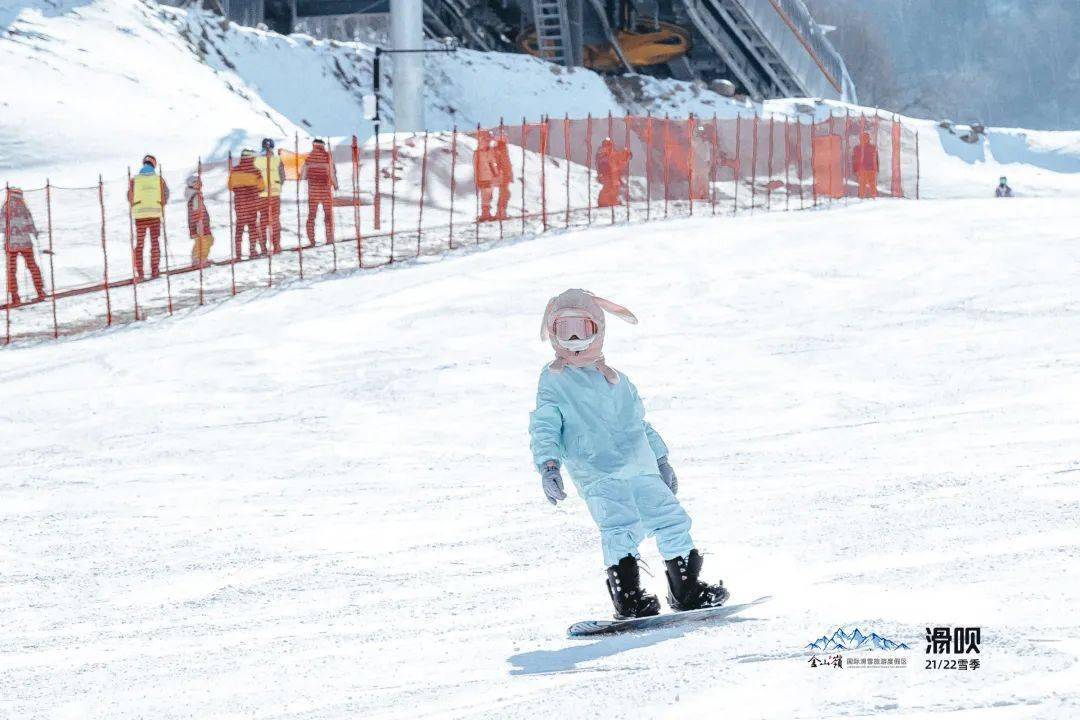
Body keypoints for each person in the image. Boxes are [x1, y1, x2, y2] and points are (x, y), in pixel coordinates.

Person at [528, 289, 729, 619]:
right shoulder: (554, 381)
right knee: (620, 527)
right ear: (552, 333)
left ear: (599, 329)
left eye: (583, 328)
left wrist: (661, 459)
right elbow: (545, 424)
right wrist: (548, 464)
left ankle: (686, 589)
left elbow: (638, 423)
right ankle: (629, 598)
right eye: (565, 330)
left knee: (671, 519)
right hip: (598, 470)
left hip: (641, 465)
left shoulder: (617, 380)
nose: (575, 338)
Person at [127, 154, 170, 279]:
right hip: (155, 215)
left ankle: (139, 273)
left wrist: (136, 205)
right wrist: (160, 205)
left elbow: (129, 196)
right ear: (154, 164)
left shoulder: (134, 180)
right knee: (154, 243)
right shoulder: (159, 179)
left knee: (139, 244)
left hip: (140, 216)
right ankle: (155, 271)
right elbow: (165, 195)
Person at [2, 187, 46, 306]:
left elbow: (1, 226)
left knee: (11, 270)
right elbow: (30, 223)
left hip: (11, 245)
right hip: (26, 243)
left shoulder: (5, 208)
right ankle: (40, 292)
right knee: (32, 266)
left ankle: (15, 298)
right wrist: (34, 233)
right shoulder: (23, 207)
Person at [228, 149, 266, 259]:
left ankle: (238, 253)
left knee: (239, 228)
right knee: (252, 227)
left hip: (239, 204)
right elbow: (262, 187)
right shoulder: (255, 171)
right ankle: (252, 250)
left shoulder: (234, 170)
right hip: (252, 204)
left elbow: (230, 186)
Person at [301, 138, 338, 246]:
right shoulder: (327, 156)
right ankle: (329, 238)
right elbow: (331, 173)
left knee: (311, 216)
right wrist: (335, 185)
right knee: (328, 215)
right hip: (325, 190)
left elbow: (303, 175)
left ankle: (311, 240)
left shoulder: (309, 157)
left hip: (312, 191)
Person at [257, 138, 287, 254]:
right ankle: (276, 246)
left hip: (261, 195)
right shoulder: (277, 160)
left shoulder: (257, 161)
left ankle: (263, 248)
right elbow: (283, 177)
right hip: (274, 195)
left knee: (263, 222)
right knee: (275, 221)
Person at [185, 175, 214, 267]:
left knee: (203, 240)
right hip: (200, 223)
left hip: (198, 222)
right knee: (206, 239)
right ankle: (199, 259)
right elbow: (196, 210)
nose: (201, 184)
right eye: (198, 183)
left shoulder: (194, 195)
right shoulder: (196, 196)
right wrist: (199, 223)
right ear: (193, 184)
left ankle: (200, 258)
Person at [595, 138, 630, 208]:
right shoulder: (602, 155)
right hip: (607, 174)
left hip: (612, 174)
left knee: (614, 187)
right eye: (606, 145)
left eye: (608, 145)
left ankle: (612, 201)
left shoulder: (612, 154)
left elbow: (620, 159)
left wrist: (626, 154)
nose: (607, 147)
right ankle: (604, 201)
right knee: (608, 187)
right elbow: (601, 164)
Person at [473, 130, 499, 222]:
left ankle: (487, 213)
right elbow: (475, 168)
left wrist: (496, 175)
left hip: (491, 177)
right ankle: (485, 214)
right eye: (485, 140)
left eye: (488, 140)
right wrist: (477, 181)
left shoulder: (490, 151)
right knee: (485, 197)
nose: (487, 141)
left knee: (489, 196)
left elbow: (493, 163)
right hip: (483, 178)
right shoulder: (477, 153)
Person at [851, 131, 879, 199]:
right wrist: (855, 169)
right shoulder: (857, 148)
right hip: (864, 170)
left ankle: (871, 198)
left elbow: (876, 158)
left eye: (866, 138)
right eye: (864, 138)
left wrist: (876, 169)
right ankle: (865, 198)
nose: (865, 140)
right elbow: (854, 159)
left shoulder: (872, 147)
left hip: (869, 170)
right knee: (864, 185)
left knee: (870, 185)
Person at [493, 133, 514, 221]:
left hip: (501, 174)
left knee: (504, 193)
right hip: (504, 174)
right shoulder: (502, 149)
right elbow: (506, 163)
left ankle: (500, 212)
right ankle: (501, 212)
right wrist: (509, 174)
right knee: (505, 194)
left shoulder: (497, 149)